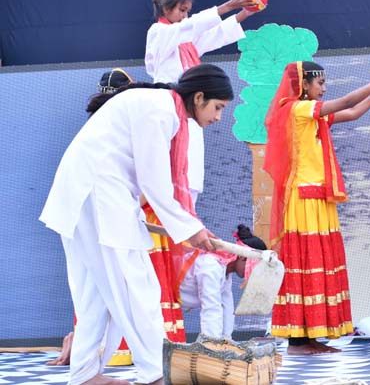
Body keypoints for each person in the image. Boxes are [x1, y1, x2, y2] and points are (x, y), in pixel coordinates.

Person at [39, 63, 233, 385]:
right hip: (98, 196)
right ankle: (155, 372)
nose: (218, 117)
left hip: (86, 195)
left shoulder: (158, 106)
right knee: (137, 286)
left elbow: (140, 176)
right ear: (199, 97)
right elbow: (153, 182)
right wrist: (190, 229)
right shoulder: (160, 111)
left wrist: (187, 227)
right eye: (218, 107)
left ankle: (85, 374)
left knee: (95, 292)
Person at [143, 0, 262, 340]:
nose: (184, 15)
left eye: (187, 10)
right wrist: (228, 5)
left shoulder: (186, 45)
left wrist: (245, 13)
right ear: (167, 9)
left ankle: (186, 249)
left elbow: (210, 35)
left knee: (189, 188)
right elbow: (191, 28)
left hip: (189, 126)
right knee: (169, 189)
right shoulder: (160, 34)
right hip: (170, 120)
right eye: (181, 10)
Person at [264, 46, 370, 355]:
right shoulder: (296, 109)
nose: (324, 88)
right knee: (305, 260)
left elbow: (352, 113)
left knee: (318, 261)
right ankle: (297, 341)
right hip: (303, 198)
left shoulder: (313, 115)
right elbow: (346, 102)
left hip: (317, 195)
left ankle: (309, 336)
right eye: (319, 83)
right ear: (304, 84)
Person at [47, 68, 136, 367]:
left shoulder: (98, 123)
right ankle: (92, 363)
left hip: (85, 214)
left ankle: (87, 362)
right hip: (99, 215)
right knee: (110, 290)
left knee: (89, 289)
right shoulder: (119, 123)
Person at [179, 224, 267, 339]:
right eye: (254, 267)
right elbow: (211, 307)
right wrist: (212, 343)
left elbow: (227, 306)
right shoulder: (211, 266)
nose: (252, 274)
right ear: (242, 257)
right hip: (163, 295)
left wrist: (227, 340)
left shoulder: (225, 270)